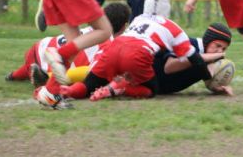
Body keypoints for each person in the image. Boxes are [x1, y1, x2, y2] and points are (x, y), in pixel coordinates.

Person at [59, 0, 211, 104]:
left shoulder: (137, 19)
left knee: (88, 85)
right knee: (152, 90)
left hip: (113, 48)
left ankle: (66, 91)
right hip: (137, 53)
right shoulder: (172, 27)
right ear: (167, 10)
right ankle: (119, 88)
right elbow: (194, 58)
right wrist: (209, 80)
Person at [92, 22, 233, 99]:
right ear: (208, 41)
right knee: (88, 81)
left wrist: (217, 87)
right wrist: (210, 57)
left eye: (224, 48)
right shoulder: (187, 43)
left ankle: (113, 88)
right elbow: (169, 67)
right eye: (217, 46)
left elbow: (206, 77)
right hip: (139, 71)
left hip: (152, 86)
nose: (220, 52)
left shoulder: (210, 58)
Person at [5, 2, 131, 87]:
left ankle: (14, 75)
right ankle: (46, 77)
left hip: (39, 48)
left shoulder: (93, 30)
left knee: (32, 64)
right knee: (91, 72)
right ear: (125, 26)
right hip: (52, 63)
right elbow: (92, 73)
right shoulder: (109, 43)